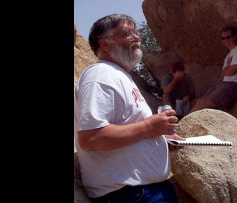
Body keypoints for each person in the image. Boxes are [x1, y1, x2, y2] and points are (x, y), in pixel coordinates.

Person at [74, 13, 184, 203]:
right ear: (105, 44)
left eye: (136, 32)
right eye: (127, 34)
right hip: (131, 196)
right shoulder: (100, 75)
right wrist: (149, 128)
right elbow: (90, 138)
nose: (136, 38)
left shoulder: (120, 76)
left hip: (148, 192)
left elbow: (127, 130)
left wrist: (160, 138)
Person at [189, 25, 237, 113]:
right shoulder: (228, 56)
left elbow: (230, 71)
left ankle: (182, 125)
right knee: (199, 100)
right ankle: (183, 122)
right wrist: (228, 70)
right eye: (223, 38)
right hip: (224, 84)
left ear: (234, 37)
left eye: (228, 37)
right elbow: (222, 75)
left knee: (203, 103)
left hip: (234, 85)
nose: (226, 40)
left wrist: (229, 70)